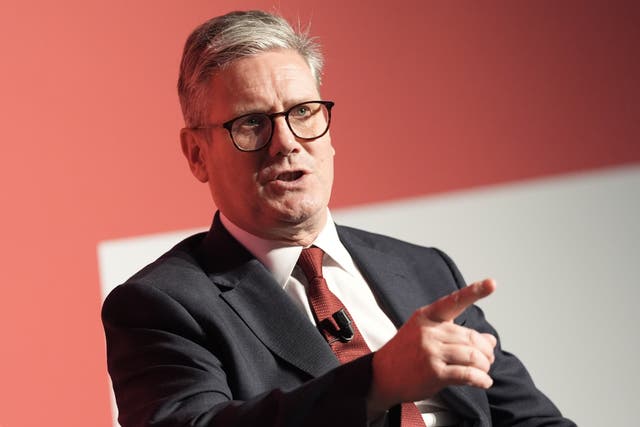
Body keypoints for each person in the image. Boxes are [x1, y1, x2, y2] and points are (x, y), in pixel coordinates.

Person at [102, 10, 575, 427]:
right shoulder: (161, 306)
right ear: (196, 154)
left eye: (303, 112)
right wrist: (377, 382)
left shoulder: (424, 270)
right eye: (251, 123)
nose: (286, 142)